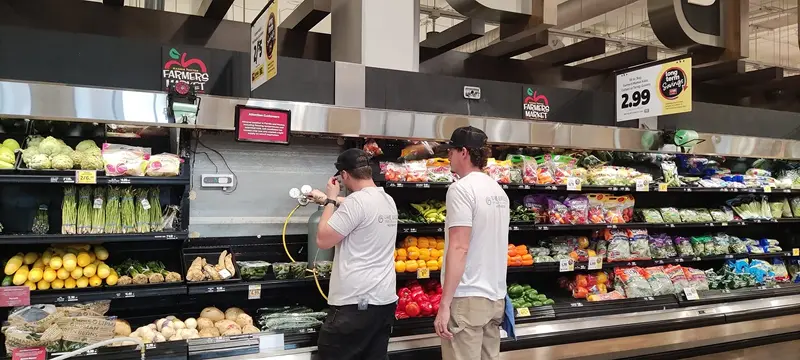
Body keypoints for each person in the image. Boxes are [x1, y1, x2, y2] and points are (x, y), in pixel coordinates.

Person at [307, 148, 399, 360]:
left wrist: (329, 200)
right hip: (383, 303)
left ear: (345, 175)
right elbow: (359, 211)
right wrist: (326, 199)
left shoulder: (357, 202)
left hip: (355, 305)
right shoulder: (387, 200)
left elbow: (323, 239)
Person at [434, 126, 510, 360]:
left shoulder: (461, 189)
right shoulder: (498, 191)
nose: (448, 157)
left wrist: (445, 304)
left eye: (451, 151)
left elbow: (459, 247)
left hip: (467, 298)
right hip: (495, 297)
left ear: (464, 152)